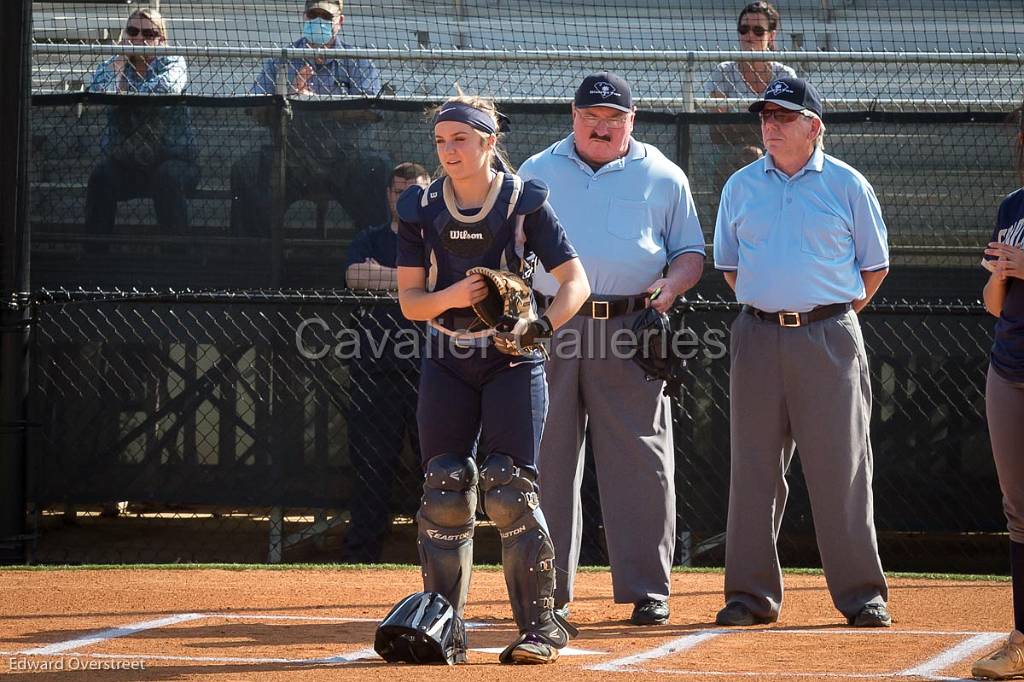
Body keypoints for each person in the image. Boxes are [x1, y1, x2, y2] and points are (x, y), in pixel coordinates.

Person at [395, 92, 590, 663]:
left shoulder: (523, 203)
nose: (449, 151)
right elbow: (411, 302)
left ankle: (540, 627)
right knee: (446, 486)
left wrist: (541, 328)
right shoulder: (421, 206)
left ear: (489, 142)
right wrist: (452, 296)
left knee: (508, 488)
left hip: (511, 359)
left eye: (461, 139)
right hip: (447, 357)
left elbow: (575, 281)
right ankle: (441, 626)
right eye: (440, 141)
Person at [518, 72, 706, 626]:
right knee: (546, 459)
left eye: (612, 118)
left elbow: (690, 252)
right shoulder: (536, 170)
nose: (600, 127)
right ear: (572, 117)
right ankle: (549, 590)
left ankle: (649, 588)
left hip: (630, 326)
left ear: (632, 120)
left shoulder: (663, 175)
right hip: (553, 322)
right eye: (590, 116)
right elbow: (515, 245)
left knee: (642, 459)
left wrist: (671, 287)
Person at [712, 76, 892, 628]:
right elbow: (729, 265)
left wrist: (826, 315)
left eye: (783, 117)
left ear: (814, 127)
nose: (770, 125)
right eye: (765, 116)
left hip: (829, 337)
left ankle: (863, 596)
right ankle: (749, 597)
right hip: (757, 335)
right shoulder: (740, 186)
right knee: (753, 471)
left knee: (842, 469)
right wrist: (774, 307)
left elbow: (874, 267)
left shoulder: (847, 184)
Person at [230, 0, 390, 237]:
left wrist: (317, 104)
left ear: (340, 22)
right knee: (247, 169)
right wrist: (288, 97)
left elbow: (372, 110)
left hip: (344, 157)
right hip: (291, 157)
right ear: (304, 18)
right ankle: (257, 257)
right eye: (313, 15)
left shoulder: (358, 60)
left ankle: (373, 254)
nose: (319, 22)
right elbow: (255, 106)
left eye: (326, 17)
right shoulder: (282, 59)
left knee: (379, 167)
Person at [341, 162, 430, 563]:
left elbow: (444, 281)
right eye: (398, 191)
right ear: (388, 195)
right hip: (375, 374)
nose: (405, 197)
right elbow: (357, 277)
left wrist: (388, 276)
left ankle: (438, 554)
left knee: (438, 472)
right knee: (371, 471)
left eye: (414, 190)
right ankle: (362, 558)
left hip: (432, 373)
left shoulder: (439, 239)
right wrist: (415, 281)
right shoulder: (370, 237)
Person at [971, 100, 1024, 681]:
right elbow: (993, 305)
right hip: (1009, 367)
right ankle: (1021, 640)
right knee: (1019, 513)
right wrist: (1001, 274)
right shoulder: (1014, 205)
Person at [85, 6, 198, 233]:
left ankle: (178, 258)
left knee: (167, 178)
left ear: (161, 40)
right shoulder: (114, 65)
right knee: (100, 176)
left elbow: (165, 88)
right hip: (127, 163)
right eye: (133, 31)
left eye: (148, 34)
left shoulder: (173, 62)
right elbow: (97, 92)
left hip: (174, 160)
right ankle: (94, 254)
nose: (139, 38)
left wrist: (122, 96)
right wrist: (118, 66)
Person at [705, 1, 797, 190]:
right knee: (749, 155)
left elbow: (789, 124)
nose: (749, 36)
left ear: (771, 35)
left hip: (778, 148)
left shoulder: (785, 75)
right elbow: (719, 126)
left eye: (758, 31)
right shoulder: (723, 71)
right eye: (744, 29)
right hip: (730, 150)